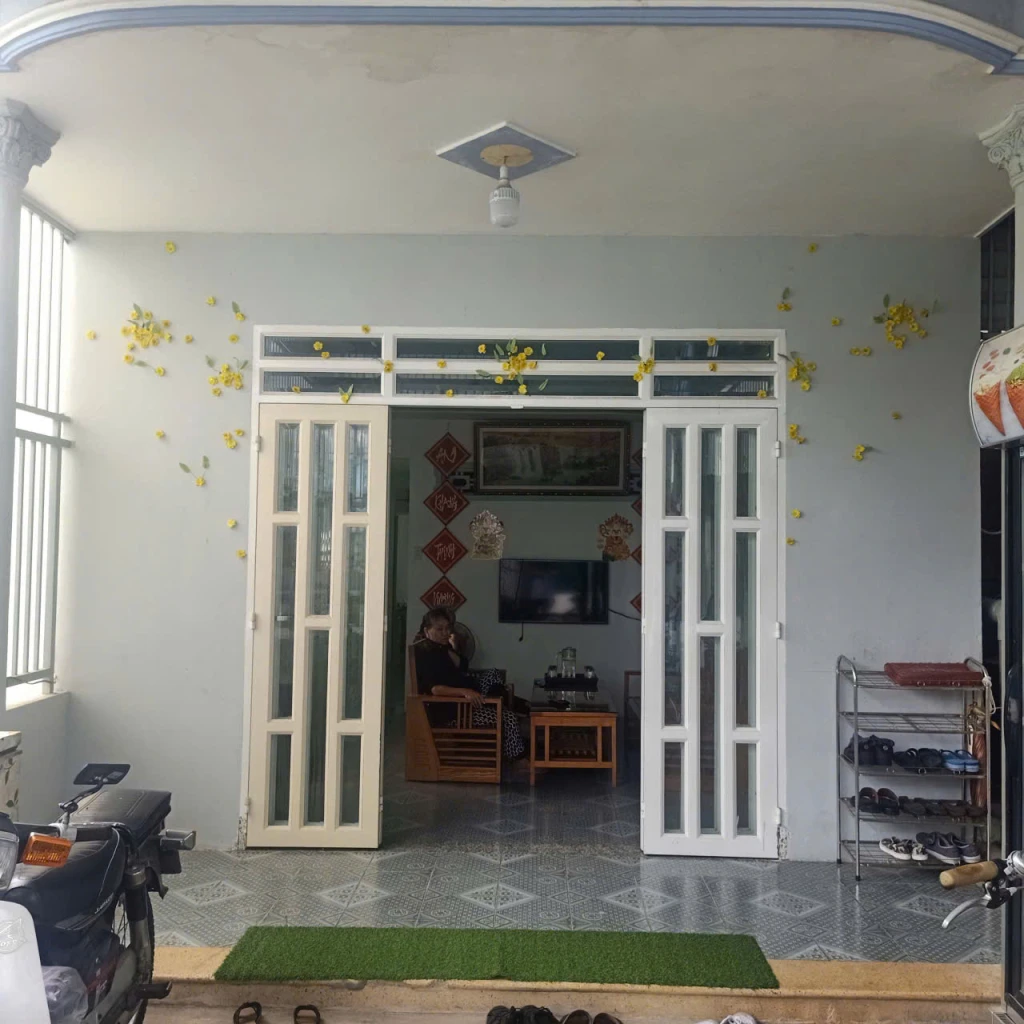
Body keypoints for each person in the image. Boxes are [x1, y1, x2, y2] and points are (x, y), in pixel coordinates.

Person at [412, 607, 525, 761]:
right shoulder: (425, 653)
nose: (445, 633)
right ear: (426, 631)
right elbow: (435, 689)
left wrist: (451, 648)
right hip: (457, 710)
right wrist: (465, 692)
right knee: (509, 718)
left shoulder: (440, 648)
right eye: (439, 629)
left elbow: (462, 666)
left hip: (468, 697)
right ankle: (517, 759)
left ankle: (498, 705)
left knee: (493, 673)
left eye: (447, 628)